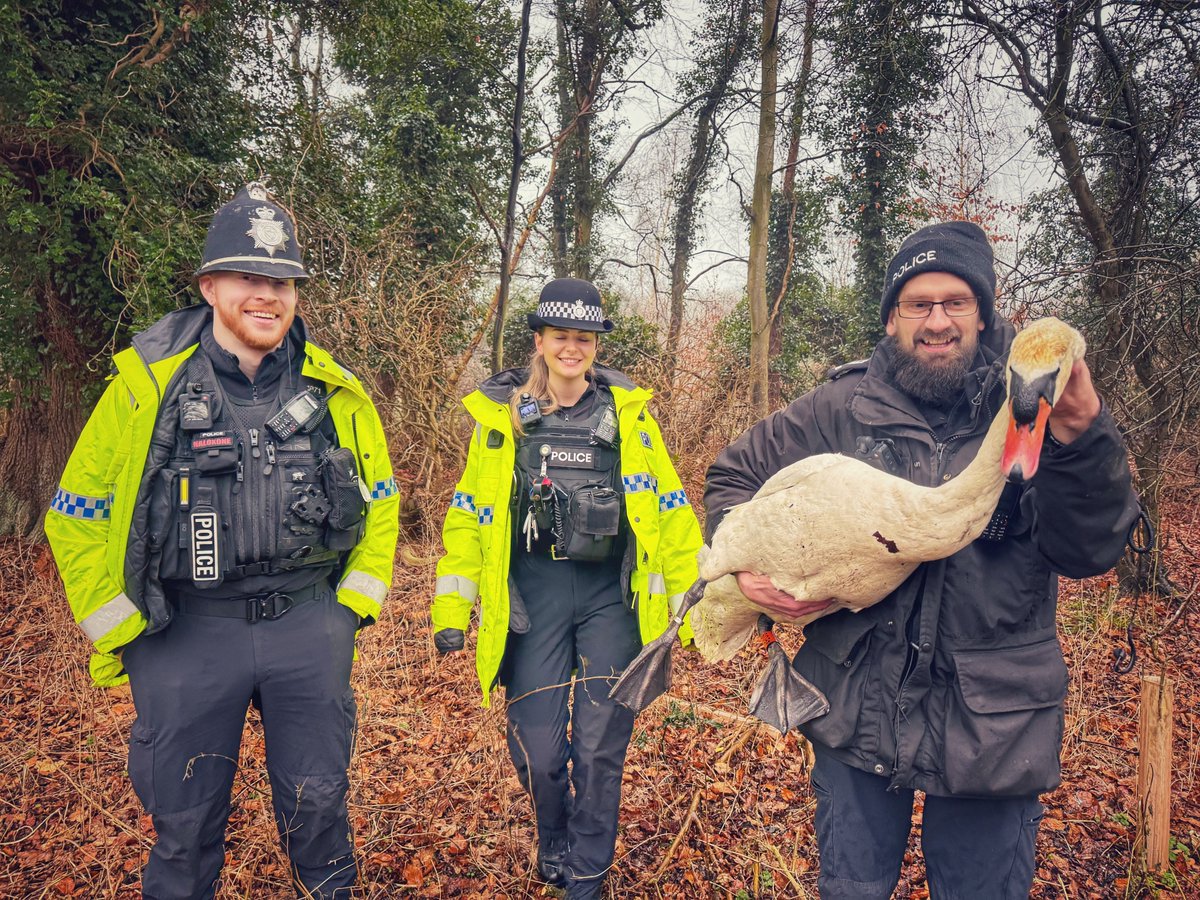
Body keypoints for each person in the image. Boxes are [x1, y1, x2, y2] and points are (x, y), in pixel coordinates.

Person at [704, 222, 1140, 899]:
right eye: (917, 304)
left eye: (956, 302)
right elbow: (732, 481)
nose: (937, 321)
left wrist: (1083, 437)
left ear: (984, 312)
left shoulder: (1033, 407)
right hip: (856, 711)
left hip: (992, 728)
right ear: (890, 319)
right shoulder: (839, 408)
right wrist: (753, 578)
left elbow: (1088, 550)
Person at [46, 182, 400, 899]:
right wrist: (127, 632)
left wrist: (350, 609)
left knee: (321, 812)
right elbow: (75, 512)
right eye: (249, 277)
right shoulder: (146, 387)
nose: (268, 295)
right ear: (210, 286)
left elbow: (383, 502)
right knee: (184, 828)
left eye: (283, 282)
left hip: (308, 627)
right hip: (185, 634)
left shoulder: (335, 390)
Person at [432, 278, 703, 898]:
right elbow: (470, 514)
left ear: (595, 344)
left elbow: (671, 511)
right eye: (562, 337)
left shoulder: (630, 421)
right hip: (533, 598)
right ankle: (551, 829)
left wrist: (691, 609)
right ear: (541, 341)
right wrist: (453, 604)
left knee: (600, 749)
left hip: (611, 598)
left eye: (585, 338)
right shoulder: (502, 423)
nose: (573, 348)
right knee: (540, 755)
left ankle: (587, 874)